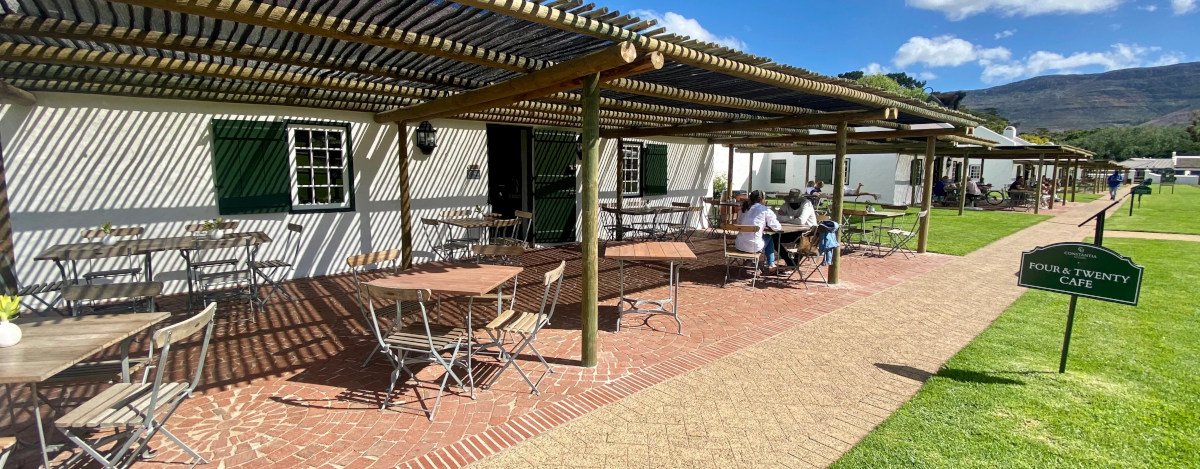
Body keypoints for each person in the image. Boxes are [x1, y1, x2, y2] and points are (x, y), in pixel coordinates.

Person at [735, 190, 782, 275]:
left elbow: (738, 223)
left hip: (740, 245)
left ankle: (749, 261)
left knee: (754, 239)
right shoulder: (765, 210)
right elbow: (777, 227)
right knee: (768, 237)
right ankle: (771, 264)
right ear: (761, 200)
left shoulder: (744, 209)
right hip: (754, 247)